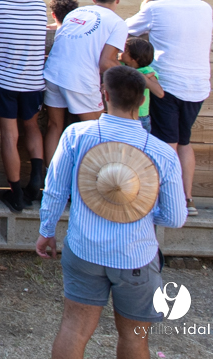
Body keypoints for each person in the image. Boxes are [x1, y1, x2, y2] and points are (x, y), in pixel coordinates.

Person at [36, 66, 187, 359]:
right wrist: (141, 209)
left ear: (104, 95)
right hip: (136, 257)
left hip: (83, 249)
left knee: (74, 329)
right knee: (134, 339)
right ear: (143, 99)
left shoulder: (77, 135)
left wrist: (47, 230)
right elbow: (176, 217)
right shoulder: (162, 153)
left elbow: (55, 189)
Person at [126, 0, 213, 215]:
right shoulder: (204, 8)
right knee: (184, 142)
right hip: (198, 86)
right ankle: (187, 199)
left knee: (167, 144)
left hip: (168, 85)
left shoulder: (156, 8)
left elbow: (124, 28)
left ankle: (164, 200)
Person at [0, 0, 50, 212]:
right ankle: (35, 179)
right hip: (34, 80)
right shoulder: (39, 5)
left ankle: (17, 194)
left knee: (9, 136)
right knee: (32, 127)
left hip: (5, 81)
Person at [43, 0, 127, 163]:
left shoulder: (78, 12)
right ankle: (93, 179)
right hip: (80, 78)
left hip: (53, 72)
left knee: (54, 126)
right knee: (96, 130)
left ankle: (51, 180)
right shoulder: (117, 23)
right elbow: (106, 62)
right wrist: (132, 76)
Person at [120, 37, 164, 133]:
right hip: (122, 115)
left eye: (125, 51)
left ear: (135, 58)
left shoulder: (146, 71)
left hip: (140, 117)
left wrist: (142, 78)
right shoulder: (121, 65)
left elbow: (159, 93)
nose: (120, 52)